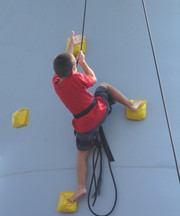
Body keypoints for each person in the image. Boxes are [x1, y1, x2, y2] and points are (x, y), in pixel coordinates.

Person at [52, 31, 141, 203]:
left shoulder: (55, 82)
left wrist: (71, 45)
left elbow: (66, 64)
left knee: (81, 154)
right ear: (74, 69)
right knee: (104, 86)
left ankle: (81, 188)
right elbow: (93, 78)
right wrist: (83, 63)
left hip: (83, 126)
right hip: (98, 111)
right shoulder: (77, 77)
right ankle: (132, 105)